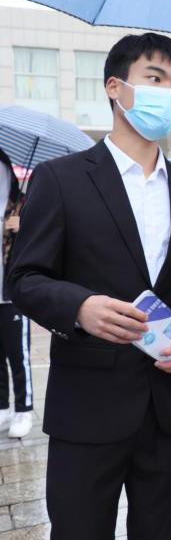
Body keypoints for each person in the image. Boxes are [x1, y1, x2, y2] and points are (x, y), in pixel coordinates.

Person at [8, 32, 171, 539]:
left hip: (169, 403)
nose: (168, 93)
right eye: (155, 78)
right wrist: (80, 307)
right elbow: (24, 278)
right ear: (115, 87)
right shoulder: (61, 178)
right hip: (88, 406)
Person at [0, 148, 32, 438]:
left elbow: (42, 241)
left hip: (13, 293)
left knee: (17, 354)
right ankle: (2, 407)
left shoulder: (23, 204)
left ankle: (24, 409)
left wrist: (24, 227)